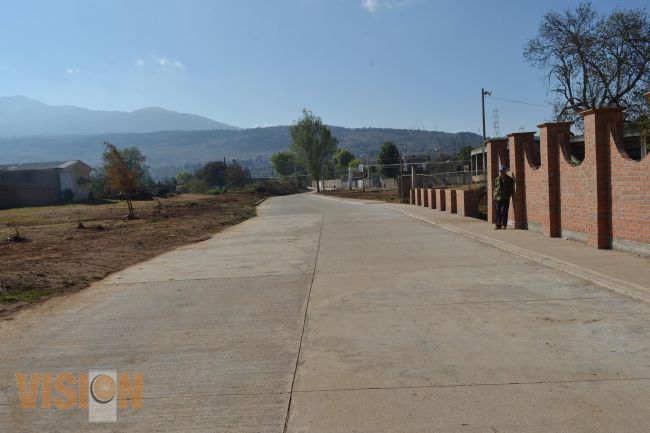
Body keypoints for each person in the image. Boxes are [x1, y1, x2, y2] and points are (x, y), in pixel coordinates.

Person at [493, 165, 513, 229]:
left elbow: (511, 188)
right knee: (498, 212)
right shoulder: (496, 179)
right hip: (497, 198)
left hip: (505, 198)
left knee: (504, 211)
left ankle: (504, 224)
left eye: (502, 171)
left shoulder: (510, 179)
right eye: (500, 171)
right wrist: (495, 195)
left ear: (505, 172)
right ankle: (498, 225)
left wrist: (508, 195)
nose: (501, 172)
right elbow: (494, 187)